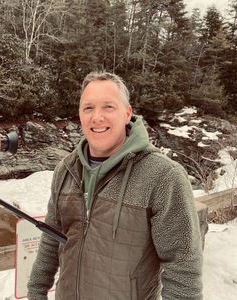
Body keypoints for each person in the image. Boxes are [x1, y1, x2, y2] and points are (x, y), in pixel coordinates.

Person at [27, 71, 203, 300]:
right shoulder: (66, 169)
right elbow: (51, 240)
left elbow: (183, 270)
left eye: (108, 107)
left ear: (127, 113)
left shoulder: (163, 176)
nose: (97, 117)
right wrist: (36, 292)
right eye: (88, 108)